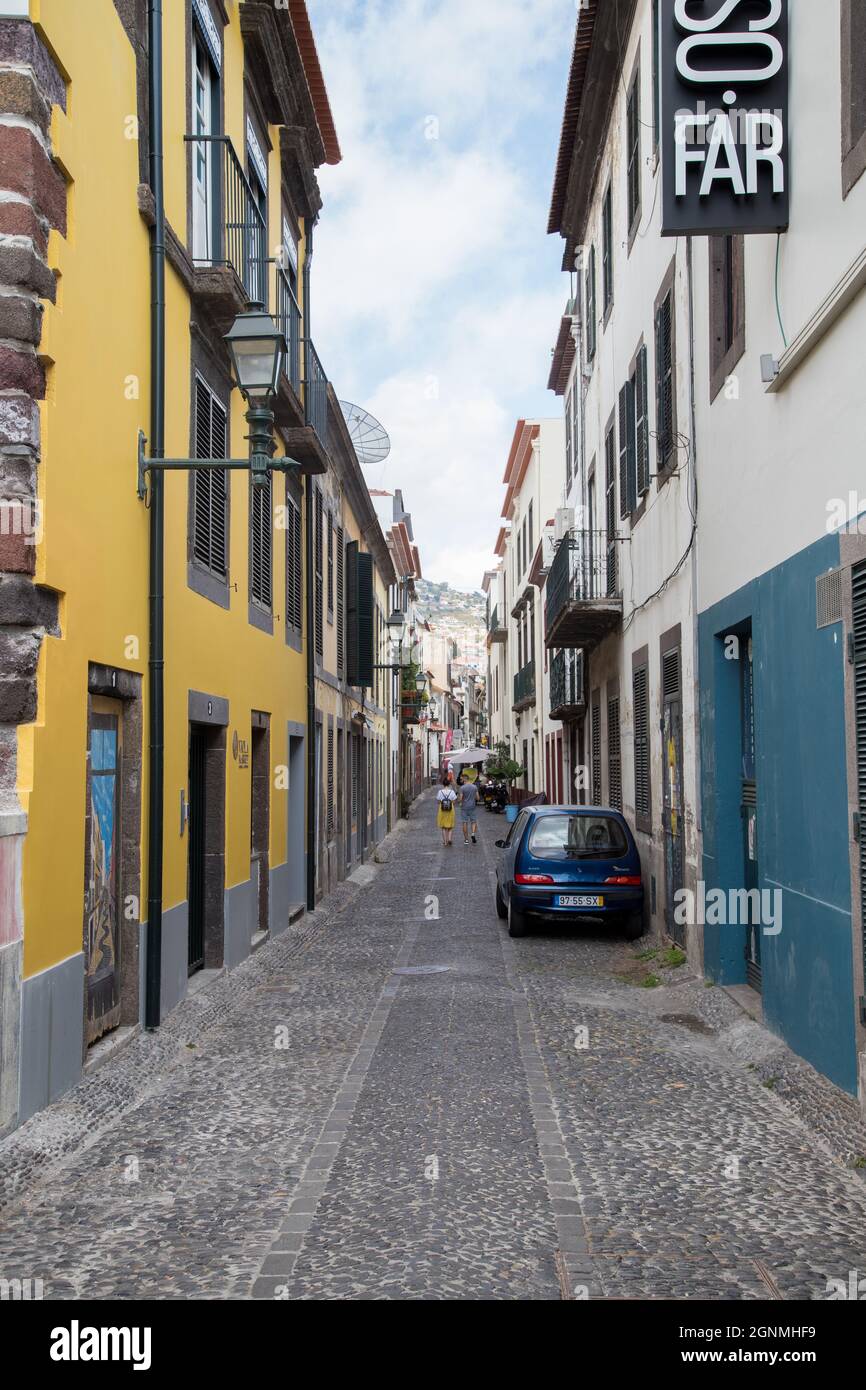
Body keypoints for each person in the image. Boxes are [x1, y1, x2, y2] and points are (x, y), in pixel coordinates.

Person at [436, 774, 457, 846]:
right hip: (450, 810)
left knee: (444, 827)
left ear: (443, 784)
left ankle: (445, 842)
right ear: (449, 784)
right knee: (450, 826)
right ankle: (450, 839)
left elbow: (438, 802)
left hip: (442, 810)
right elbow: (454, 802)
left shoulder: (440, 792)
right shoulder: (452, 792)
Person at [459, 772, 479, 845]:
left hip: (464, 807)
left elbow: (460, 799)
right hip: (472, 806)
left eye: (461, 779)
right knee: (473, 821)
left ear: (464, 779)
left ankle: (466, 840)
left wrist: (459, 800)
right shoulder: (474, 787)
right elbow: (478, 798)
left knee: (465, 822)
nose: (461, 780)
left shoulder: (462, 788)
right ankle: (473, 833)